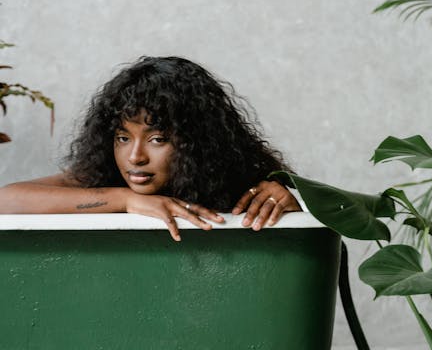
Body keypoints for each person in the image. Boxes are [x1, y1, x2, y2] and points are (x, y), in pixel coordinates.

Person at [0, 56, 301, 240]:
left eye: (158, 139)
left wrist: (288, 198)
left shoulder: (240, 181)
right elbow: (7, 200)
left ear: (198, 142)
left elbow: (312, 215)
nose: (135, 157)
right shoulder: (104, 178)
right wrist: (124, 200)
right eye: (122, 137)